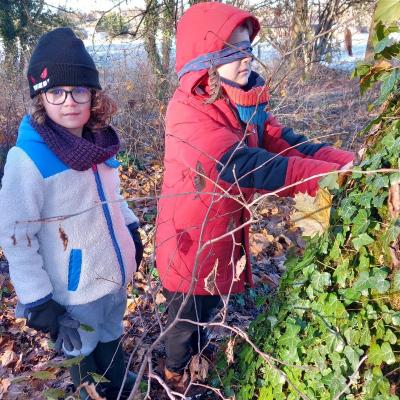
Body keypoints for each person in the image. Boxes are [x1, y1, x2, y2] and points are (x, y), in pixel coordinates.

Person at [155, 2, 354, 392]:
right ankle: (175, 376)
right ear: (205, 62)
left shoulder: (244, 100)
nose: (244, 59)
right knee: (187, 314)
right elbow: (246, 164)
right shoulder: (188, 110)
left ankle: (197, 355)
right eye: (231, 52)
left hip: (222, 230)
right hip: (191, 240)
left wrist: (345, 163)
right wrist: (326, 179)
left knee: (207, 305)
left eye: (246, 49)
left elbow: (282, 143)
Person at [0, 28, 143, 400]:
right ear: (41, 97)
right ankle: (88, 389)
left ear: (93, 94)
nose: (69, 102)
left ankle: (115, 377)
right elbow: (16, 236)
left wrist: (130, 229)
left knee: (111, 329)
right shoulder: (28, 159)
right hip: (73, 289)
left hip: (112, 272)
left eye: (78, 90)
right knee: (81, 348)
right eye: (55, 92)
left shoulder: (98, 141)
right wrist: (37, 299)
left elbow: (114, 195)